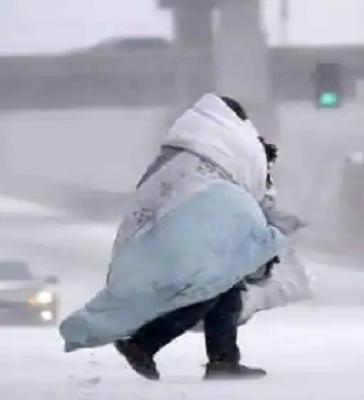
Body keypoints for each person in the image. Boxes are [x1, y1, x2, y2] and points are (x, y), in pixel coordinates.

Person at [59, 93, 287, 381]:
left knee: (225, 292)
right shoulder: (232, 145)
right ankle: (144, 344)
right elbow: (248, 187)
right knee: (206, 292)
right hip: (200, 229)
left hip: (189, 228)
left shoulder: (184, 149)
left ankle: (222, 360)